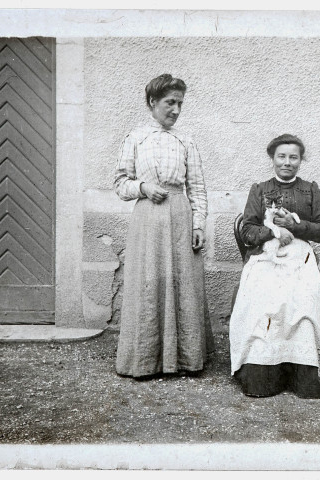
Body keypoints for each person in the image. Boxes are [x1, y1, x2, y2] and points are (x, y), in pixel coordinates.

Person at [113, 73, 212, 378]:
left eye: (180, 103)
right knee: (149, 283)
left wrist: (198, 225)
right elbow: (120, 184)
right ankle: (145, 361)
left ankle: (185, 359)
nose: (176, 110)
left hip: (181, 217)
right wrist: (142, 187)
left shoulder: (186, 141)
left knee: (183, 284)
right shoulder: (136, 138)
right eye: (170, 102)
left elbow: (197, 188)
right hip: (148, 220)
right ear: (153, 102)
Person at [229, 134, 320, 398]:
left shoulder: (310, 189)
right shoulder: (260, 189)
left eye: (293, 157)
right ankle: (262, 373)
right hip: (266, 255)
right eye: (282, 157)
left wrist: (294, 227)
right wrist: (273, 233)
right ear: (273, 159)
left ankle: (301, 374)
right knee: (264, 297)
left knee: (303, 298)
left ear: (301, 160)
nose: (287, 163)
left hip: (299, 256)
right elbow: (248, 230)